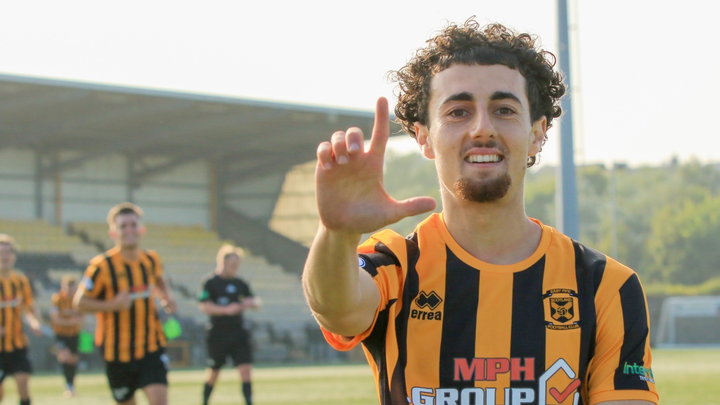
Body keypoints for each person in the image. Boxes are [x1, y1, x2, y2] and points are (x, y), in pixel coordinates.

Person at [302, 19, 659, 405]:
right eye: (458, 112)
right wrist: (337, 233)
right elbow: (336, 310)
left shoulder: (606, 285)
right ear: (424, 137)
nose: (482, 128)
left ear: (537, 133)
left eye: (504, 109)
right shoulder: (397, 266)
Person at [74, 203, 176, 405]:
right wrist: (113, 305)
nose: (129, 230)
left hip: (151, 346)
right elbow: (80, 303)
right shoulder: (101, 266)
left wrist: (167, 296)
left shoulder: (151, 259)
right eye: (123, 226)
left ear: (141, 229)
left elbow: (159, 279)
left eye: (133, 224)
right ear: (113, 233)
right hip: (116, 352)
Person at [198, 244, 260, 405]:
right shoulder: (210, 282)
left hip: (238, 332)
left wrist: (251, 303)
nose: (235, 267)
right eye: (232, 264)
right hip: (218, 333)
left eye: (237, 264)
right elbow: (204, 306)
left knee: (245, 370)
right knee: (214, 372)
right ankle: (204, 401)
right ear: (223, 262)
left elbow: (255, 301)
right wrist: (226, 310)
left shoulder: (240, 283)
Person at [0, 234, 42, 405]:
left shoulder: (21, 281)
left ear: (14, 256)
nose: (5, 256)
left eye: (8, 252)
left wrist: (34, 322)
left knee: (23, 382)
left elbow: (29, 308)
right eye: (1, 252)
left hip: (18, 343)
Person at [50, 275, 84, 398]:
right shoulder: (57, 299)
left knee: (73, 359)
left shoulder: (78, 299)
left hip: (74, 334)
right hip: (61, 334)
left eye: (72, 287)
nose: (70, 290)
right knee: (65, 357)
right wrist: (70, 322)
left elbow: (82, 317)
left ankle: (70, 385)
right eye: (67, 287)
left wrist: (71, 321)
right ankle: (68, 385)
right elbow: (55, 318)